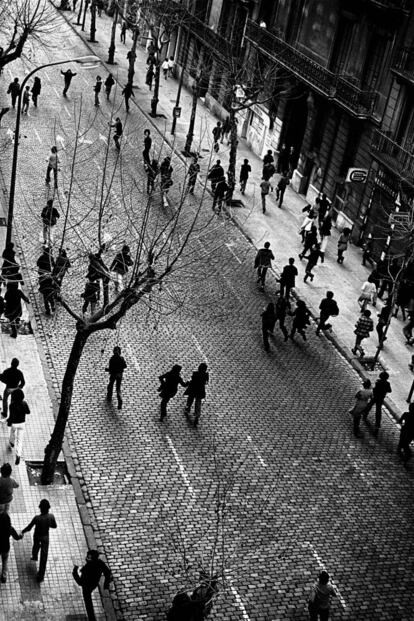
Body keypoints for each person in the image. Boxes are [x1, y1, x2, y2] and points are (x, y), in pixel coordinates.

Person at [22, 498, 57, 583]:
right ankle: (41, 575)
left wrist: (22, 531)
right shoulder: (51, 516)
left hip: (37, 535)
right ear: (48, 508)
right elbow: (54, 526)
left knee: (36, 545)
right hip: (45, 537)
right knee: (44, 556)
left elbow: (29, 527)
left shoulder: (37, 518)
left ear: (40, 508)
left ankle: (34, 556)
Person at [73, 549, 111, 621]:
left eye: (88, 557)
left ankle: (91, 618)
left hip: (87, 586)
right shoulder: (100, 563)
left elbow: (80, 582)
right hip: (94, 583)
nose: (86, 558)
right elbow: (107, 572)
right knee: (88, 599)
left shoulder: (88, 570)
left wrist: (75, 571)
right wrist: (106, 584)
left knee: (88, 601)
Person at [7, 388, 30, 465]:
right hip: (22, 423)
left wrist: (9, 423)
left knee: (12, 433)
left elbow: (10, 416)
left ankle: (11, 442)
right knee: (20, 440)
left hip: (14, 423)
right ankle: (18, 454)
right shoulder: (24, 403)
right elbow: (28, 412)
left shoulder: (12, 405)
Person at [0, 511, 21, 583]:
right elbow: (17, 537)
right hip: (5, 547)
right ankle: (4, 577)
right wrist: (21, 536)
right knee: (5, 561)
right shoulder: (10, 528)